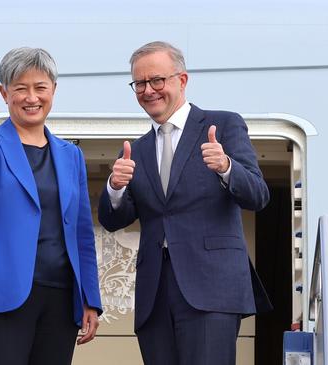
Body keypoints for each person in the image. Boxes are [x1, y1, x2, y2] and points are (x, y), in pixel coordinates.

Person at [98, 41, 271, 365]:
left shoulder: (222, 125)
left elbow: (258, 195)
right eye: (140, 83)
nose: (148, 90)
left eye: (157, 80)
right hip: (154, 293)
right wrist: (115, 187)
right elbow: (112, 219)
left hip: (211, 288)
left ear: (182, 80)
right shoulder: (138, 148)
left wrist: (226, 167)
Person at [0, 47, 102, 365]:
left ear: (53, 90)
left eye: (40, 87)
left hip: (62, 298)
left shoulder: (70, 155)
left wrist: (90, 298)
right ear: (4, 92)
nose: (31, 97)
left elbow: (81, 233)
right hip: (3, 296)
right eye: (20, 88)